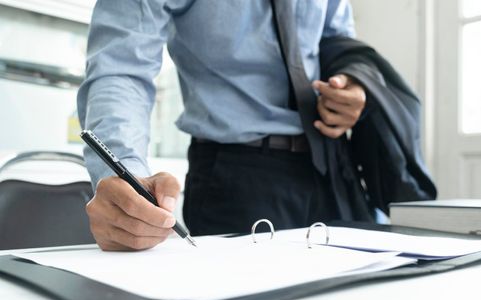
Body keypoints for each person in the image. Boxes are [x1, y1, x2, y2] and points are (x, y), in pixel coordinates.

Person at [78, 1, 388, 251]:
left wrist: (351, 86)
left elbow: (338, 43)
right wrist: (126, 174)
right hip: (237, 177)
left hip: (333, 165)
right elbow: (122, 66)